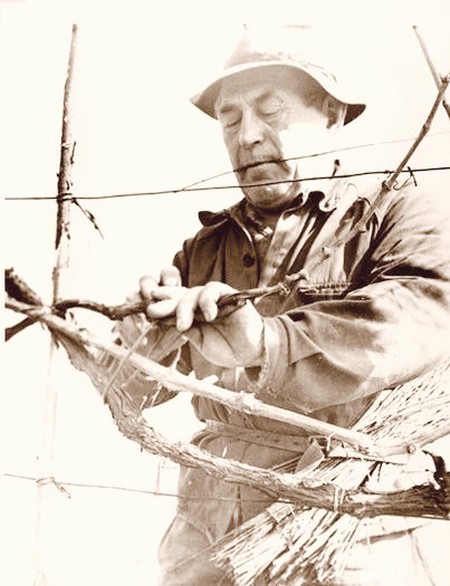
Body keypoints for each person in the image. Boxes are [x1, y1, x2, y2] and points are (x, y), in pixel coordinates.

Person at [118, 25, 450, 585]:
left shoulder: (397, 214)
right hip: (207, 525)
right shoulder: (204, 247)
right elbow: (142, 385)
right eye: (230, 119)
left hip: (348, 529)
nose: (246, 136)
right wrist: (127, 336)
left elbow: (415, 315)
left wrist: (269, 343)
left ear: (331, 114)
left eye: (270, 112)